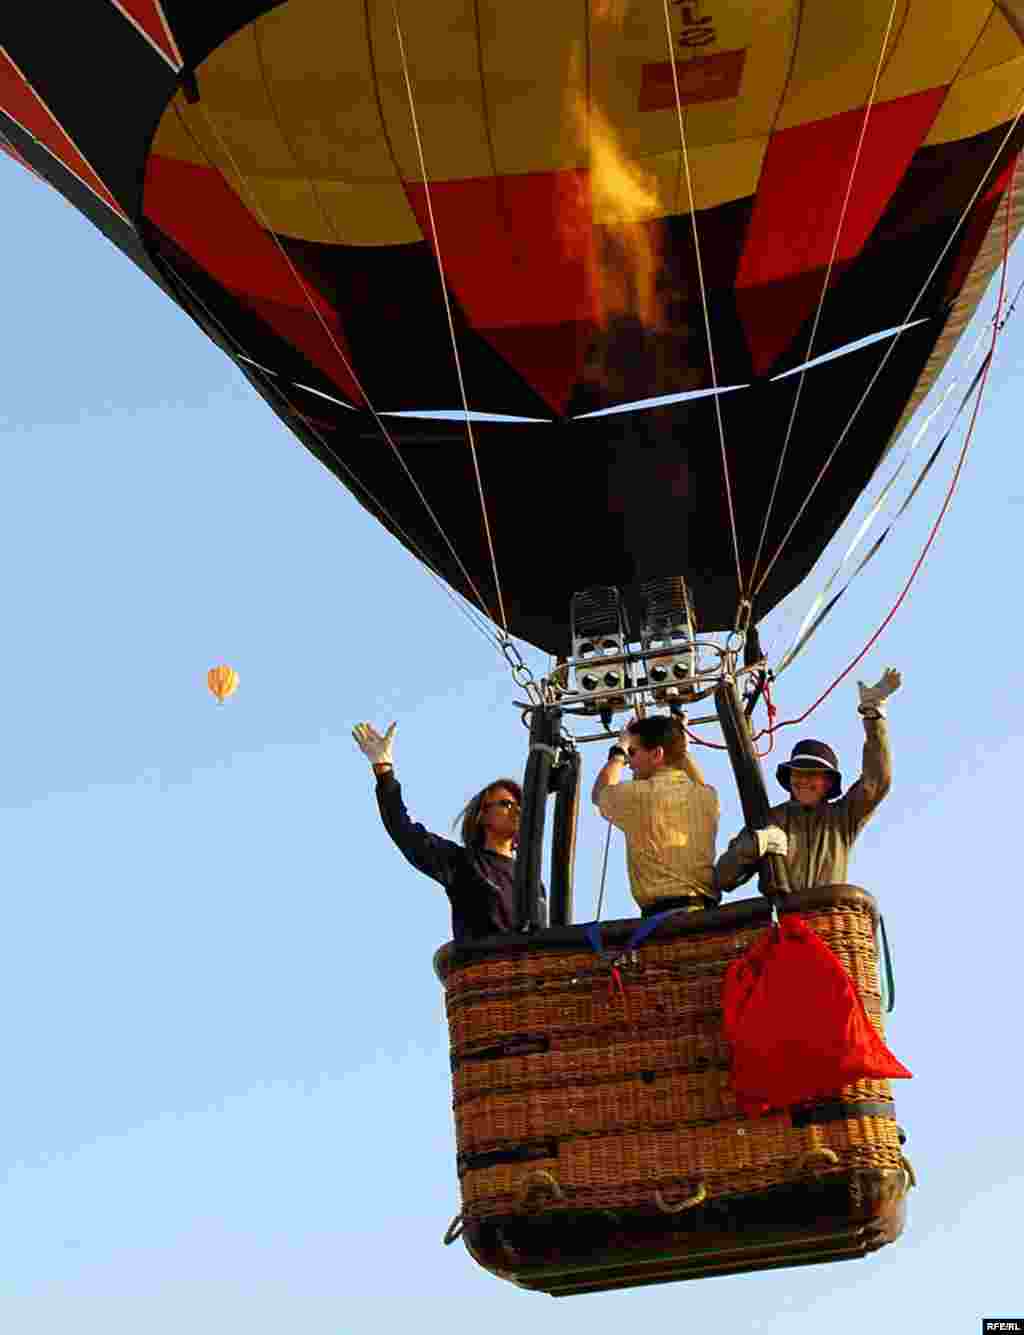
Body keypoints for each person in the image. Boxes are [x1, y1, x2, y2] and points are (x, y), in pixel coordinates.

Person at [714, 668, 901, 895]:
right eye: (798, 773)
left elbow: (877, 781)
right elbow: (723, 878)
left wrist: (873, 716)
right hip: (781, 925)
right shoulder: (770, 820)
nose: (803, 780)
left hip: (825, 924)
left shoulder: (841, 819)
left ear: (829, 783)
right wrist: (755, 844)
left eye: (812, 774)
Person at [352, 721, 542, 941]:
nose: (517, 810)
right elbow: (403, 829)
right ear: (482, 815)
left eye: (521, 805)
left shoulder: (532, 880)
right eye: (507, 804)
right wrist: (384, 770)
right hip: (487, 971)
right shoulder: (462, 863)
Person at [591, 713, 720, 916]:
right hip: (706, 915)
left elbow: (600, 793)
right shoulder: (708, 797)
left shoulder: (638, 796)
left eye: (633, 753)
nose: (630, 762)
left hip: (663, 921)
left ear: (657, 754)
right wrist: (679, 744)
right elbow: (697, 780)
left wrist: (618, 752)